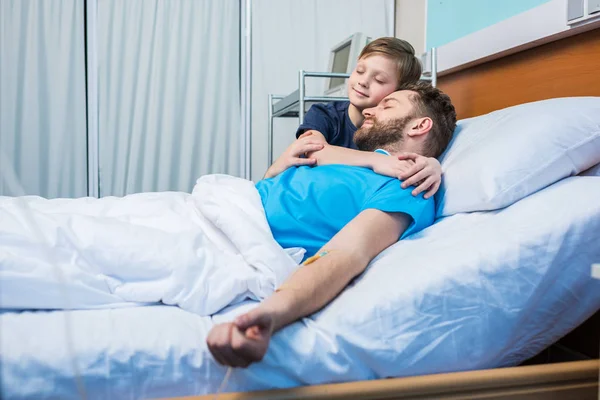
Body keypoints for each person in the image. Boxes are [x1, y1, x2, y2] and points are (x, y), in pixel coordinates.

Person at [206, 81, 457, 368]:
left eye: (387, 105)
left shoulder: (409, 187)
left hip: (230, 234)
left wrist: (273, 313)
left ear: (419, 126)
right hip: (224, 205)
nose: (370, 111)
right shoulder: (357, 161)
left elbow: (345, 254)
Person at [264, 37, 444, 199]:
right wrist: (377, 161)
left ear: (399, 91)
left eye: (379, 80)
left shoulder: (388, 131)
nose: (363, 81)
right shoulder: (324, 114)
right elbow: (315, 152)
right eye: (359, 71)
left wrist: (432, 165)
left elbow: (415, 149)